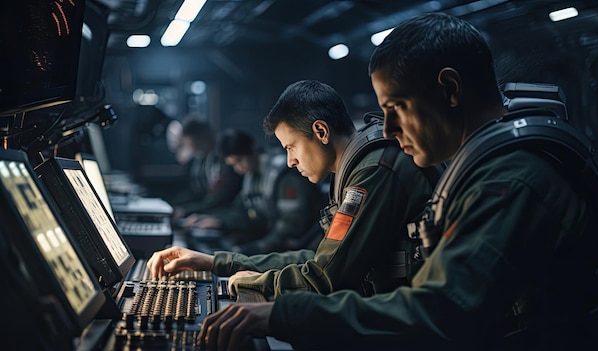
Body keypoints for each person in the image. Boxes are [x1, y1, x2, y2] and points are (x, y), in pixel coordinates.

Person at [182, 12, 598, 351]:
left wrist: (282, 313)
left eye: (397, 107)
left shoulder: (511, 181)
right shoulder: (487, 169)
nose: (389, 130)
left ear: (450, 90)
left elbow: (441, 311)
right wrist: (226, 268)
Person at [148, 80, 440, 302]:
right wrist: (215, 262)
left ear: (321, 132)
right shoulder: (358, 166)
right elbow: (318, 259)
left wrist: (259, 281)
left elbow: (323, 277)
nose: (290, 160)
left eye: (291, 147)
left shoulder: (372, 173)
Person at [182, 128, 326, 255]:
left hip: (300, 247)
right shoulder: (251, 177)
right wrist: (219, 220)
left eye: (239, 161)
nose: (238, 168)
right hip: (274, 242)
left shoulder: (284, 176)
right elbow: (242, 210)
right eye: (233, 164)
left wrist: (255, 248)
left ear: (252, 149)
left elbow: (291, 225)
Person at [168, 115, 243, 221]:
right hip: (211, 209)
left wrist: (187, 210)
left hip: (226, 211)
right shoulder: (203, 158)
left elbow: (221, 196)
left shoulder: (224, 155)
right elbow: (196, 192)